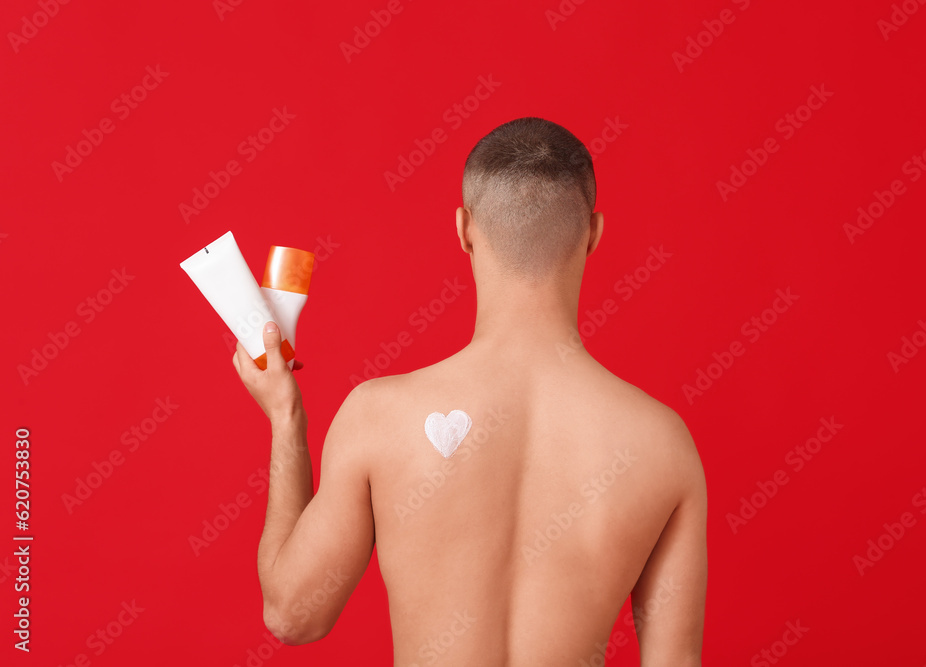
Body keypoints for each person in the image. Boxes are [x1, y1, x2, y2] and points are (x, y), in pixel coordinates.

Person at [233, 117, 707, 666]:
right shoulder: (661, 443)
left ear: (462, 229)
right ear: (594, 233)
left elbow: (293, 615)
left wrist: (285, 416)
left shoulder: (379, 416)